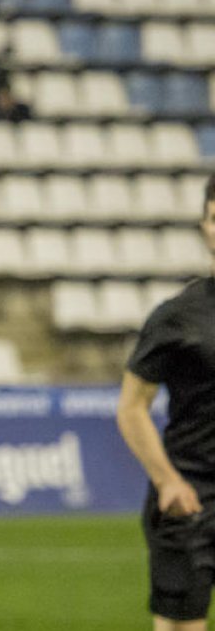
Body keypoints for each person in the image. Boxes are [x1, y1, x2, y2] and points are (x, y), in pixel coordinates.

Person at [116, 176, 215, 631]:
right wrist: (167, 480)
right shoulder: (176, 318)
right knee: (181, 624)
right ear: (204, 227)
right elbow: (132, 407)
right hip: (191, 494)